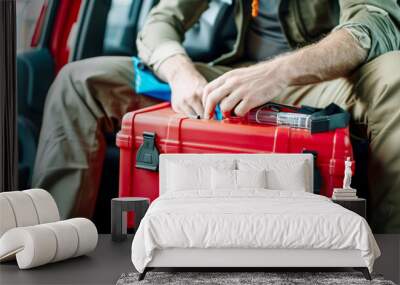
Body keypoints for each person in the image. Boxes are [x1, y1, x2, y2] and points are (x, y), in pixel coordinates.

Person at [32, 0, 400, 233]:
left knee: (396, 75)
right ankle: (53, 242)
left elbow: (374, 24)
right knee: (80, 81)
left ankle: (390, 255)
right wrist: (179, 71)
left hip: (321, 80)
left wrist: (278, 73)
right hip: (231, 75)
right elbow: (161, 21)